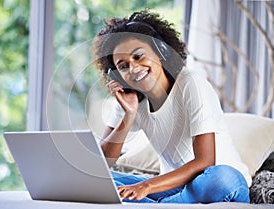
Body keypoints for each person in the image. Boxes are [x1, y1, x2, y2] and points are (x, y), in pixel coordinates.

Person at [92, 10, 251, 203]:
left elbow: (205, 162)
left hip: (215, 182)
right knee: (97, 179)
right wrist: (129, 114)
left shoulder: (190, 83)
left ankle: (157, 205)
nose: (133, 69)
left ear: (161, 52)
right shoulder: (129, 99)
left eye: (138, 56)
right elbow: (102, 163)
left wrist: (146, 186)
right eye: (123, 66)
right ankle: (168, 203)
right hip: (171, 186)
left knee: (223, 177)